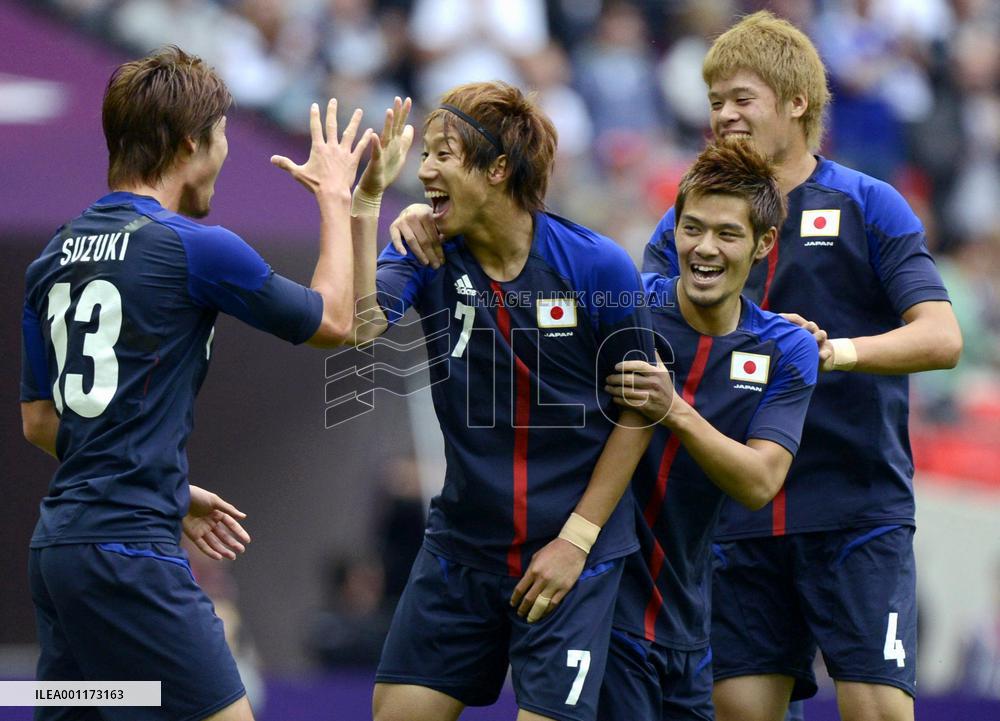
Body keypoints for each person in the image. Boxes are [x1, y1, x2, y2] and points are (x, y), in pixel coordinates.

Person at [20, 45, 378, 721]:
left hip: (60, 556)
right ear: (191, 142)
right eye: (220, 140)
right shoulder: (192, 246)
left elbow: (40, 421)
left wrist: (168, 487)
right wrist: (336, 195)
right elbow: (337, 320)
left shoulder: (53, 254)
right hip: (130, 558)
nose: (223, 155)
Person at [642, 12, 962, 721]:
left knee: (878, 708)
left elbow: (941, 337)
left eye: (740, 98)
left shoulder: (869, 204)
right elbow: (653, 331)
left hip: (855, 506)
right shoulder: (685, 222)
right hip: (734, 512)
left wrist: (836, 351)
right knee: (740, 711)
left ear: (795, 103)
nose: (722, 114)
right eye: (715, 99)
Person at [348, 81, 656, 721]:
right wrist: (366, 204)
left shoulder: (596, 268)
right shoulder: (425, 251)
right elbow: (360, 325)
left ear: (496, 168)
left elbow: (642, 408)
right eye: (426, 155)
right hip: (463, 547)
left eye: (443, 154)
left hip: (570, 553)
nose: (425, 170)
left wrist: (575, 541)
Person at [597, 140, 818, 721]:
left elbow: (759, 481)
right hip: (605, 609)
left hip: (689, 621)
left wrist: (675, 409)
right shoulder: (624, 307)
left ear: (764, 244)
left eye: (727, 233)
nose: (705, 248)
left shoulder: (786, 346)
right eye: (692, 229)